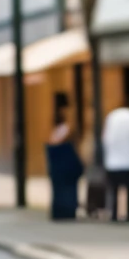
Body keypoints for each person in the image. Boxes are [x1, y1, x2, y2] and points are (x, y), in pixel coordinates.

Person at [101, 96, 129, 221]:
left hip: (113, 162)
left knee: (114, 191)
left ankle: (114, 214)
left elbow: (106, 139)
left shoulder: (112, 116)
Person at [45, 91, 84, 220]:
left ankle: (63, 211)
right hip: (63, 161)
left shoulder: (62, 126)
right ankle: (64, 211)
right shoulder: (64, 127)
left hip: (62, 163)